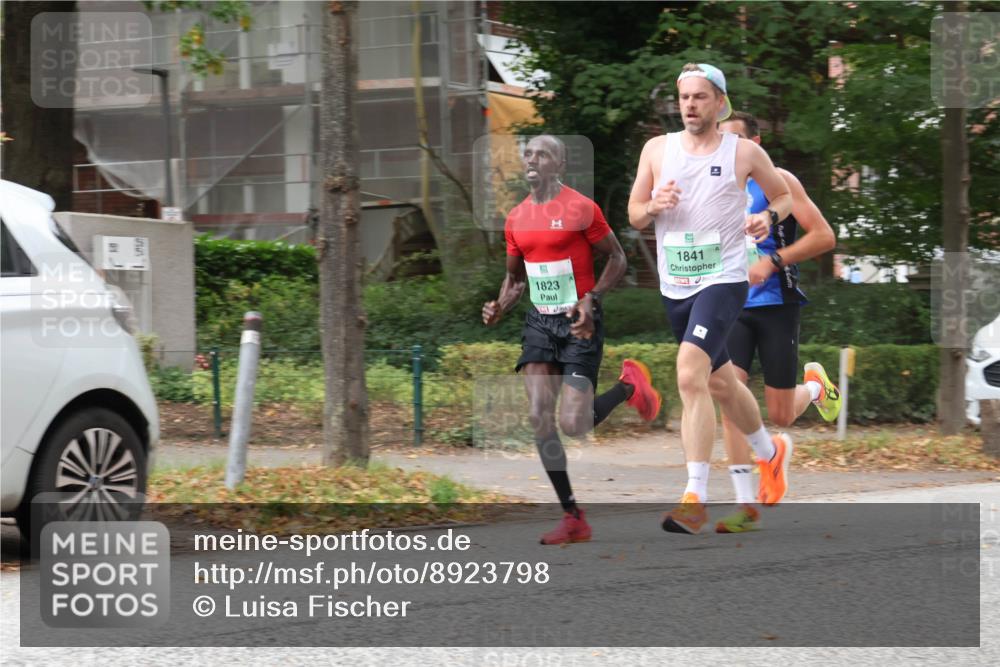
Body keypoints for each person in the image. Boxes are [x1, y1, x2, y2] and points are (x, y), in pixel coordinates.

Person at [627, 63, 793, 534]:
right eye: (684, 98)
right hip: (675, 285)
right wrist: (653, 205)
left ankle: (694, 498)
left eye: (700, 97)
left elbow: (783, 198)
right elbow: (635, 214)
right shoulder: (657, 150)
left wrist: (767, 218)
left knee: (688, 372)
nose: (690, 105)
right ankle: (770, 453)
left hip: (722, 279)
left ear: (720, 102)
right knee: (722, 385)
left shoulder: (742, 152)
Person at [483, 134, 662, 545]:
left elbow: (617, 257)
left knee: (574, 424)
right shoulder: (516, 218)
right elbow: (515, 279)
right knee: (538, 416)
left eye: (543, 154)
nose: (532, 159)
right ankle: (572, 516)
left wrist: (592, 298)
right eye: (528, 154)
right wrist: (499, 306)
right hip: (540, 325)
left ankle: (629, 386)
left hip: (580, 322)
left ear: (559, 165)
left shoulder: (581, 209)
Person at [713, 111, 842, 534]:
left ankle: (816, 388)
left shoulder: (779, 182)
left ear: (755, 144)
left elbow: (824, 236)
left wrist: (773, 260)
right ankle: (744, 504)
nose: (728, 150)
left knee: (781, 414)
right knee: (728, 394)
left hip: (775, 303)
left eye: (736, 141)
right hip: (731, 303)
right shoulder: (714, 183)